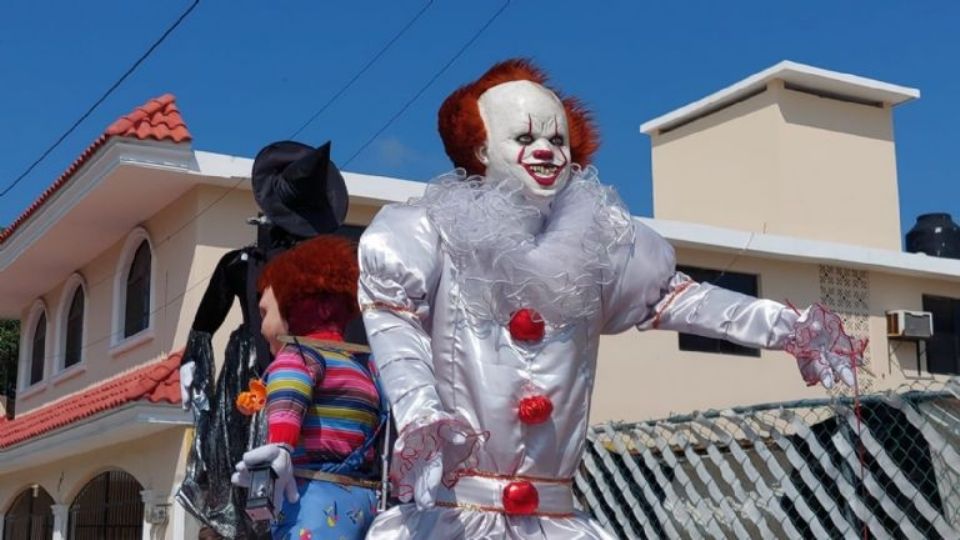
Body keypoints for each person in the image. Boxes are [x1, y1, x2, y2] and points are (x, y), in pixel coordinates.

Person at [358, 59, 865, 539]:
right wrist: (421, 411)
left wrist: (789, 328)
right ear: (481, 148)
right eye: (524, 136)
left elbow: (684, 300)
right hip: (458, 520)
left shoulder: (600, 246)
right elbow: (393, 319)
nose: (545, 151)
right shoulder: (433, 233)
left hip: (554, 519)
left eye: (556, 139)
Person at [176, 141, 350, 538]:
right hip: (246, 375)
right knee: (239, 465)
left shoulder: (322, 276)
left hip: (304, 374)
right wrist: (192, 362)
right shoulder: (239, 264)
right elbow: (205, 322)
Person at [232, 235, 387, 540]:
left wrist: (280, 444)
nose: (261, 326)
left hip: (312, 498)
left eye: (265, 312)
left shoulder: (301, 355)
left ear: (298, 305)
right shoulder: (364, 366)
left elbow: (290, 391)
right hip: (367, 500)